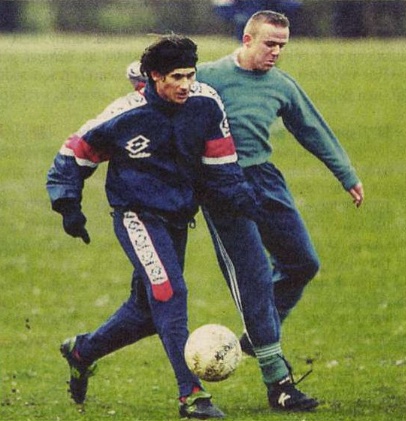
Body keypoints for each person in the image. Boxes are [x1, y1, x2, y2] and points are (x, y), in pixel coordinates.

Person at [47, 34, 314, 418]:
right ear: (154, 76)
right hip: (137, 217)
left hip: (176, 219)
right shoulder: (123, 114)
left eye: (190, 75)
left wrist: (247, 203)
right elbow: (74, 153)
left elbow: (222, 167)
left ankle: (81, 352)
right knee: (170, 294)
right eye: (176, 77)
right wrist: (68, 204)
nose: (186, 85)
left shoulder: (206, 104)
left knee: (146, 313)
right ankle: (191, 395)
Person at [196, 9, 364, 357]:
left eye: (282, 46)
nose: (276, 52)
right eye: (270, 44)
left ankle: (257, 333)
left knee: (303, 263)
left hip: (264, 178)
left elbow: (312, 129)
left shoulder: (282, 85)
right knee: (253, 275)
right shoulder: (208, 77)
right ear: (247, 40)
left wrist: (346, 174)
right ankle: (266, 342)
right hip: (223, 183)